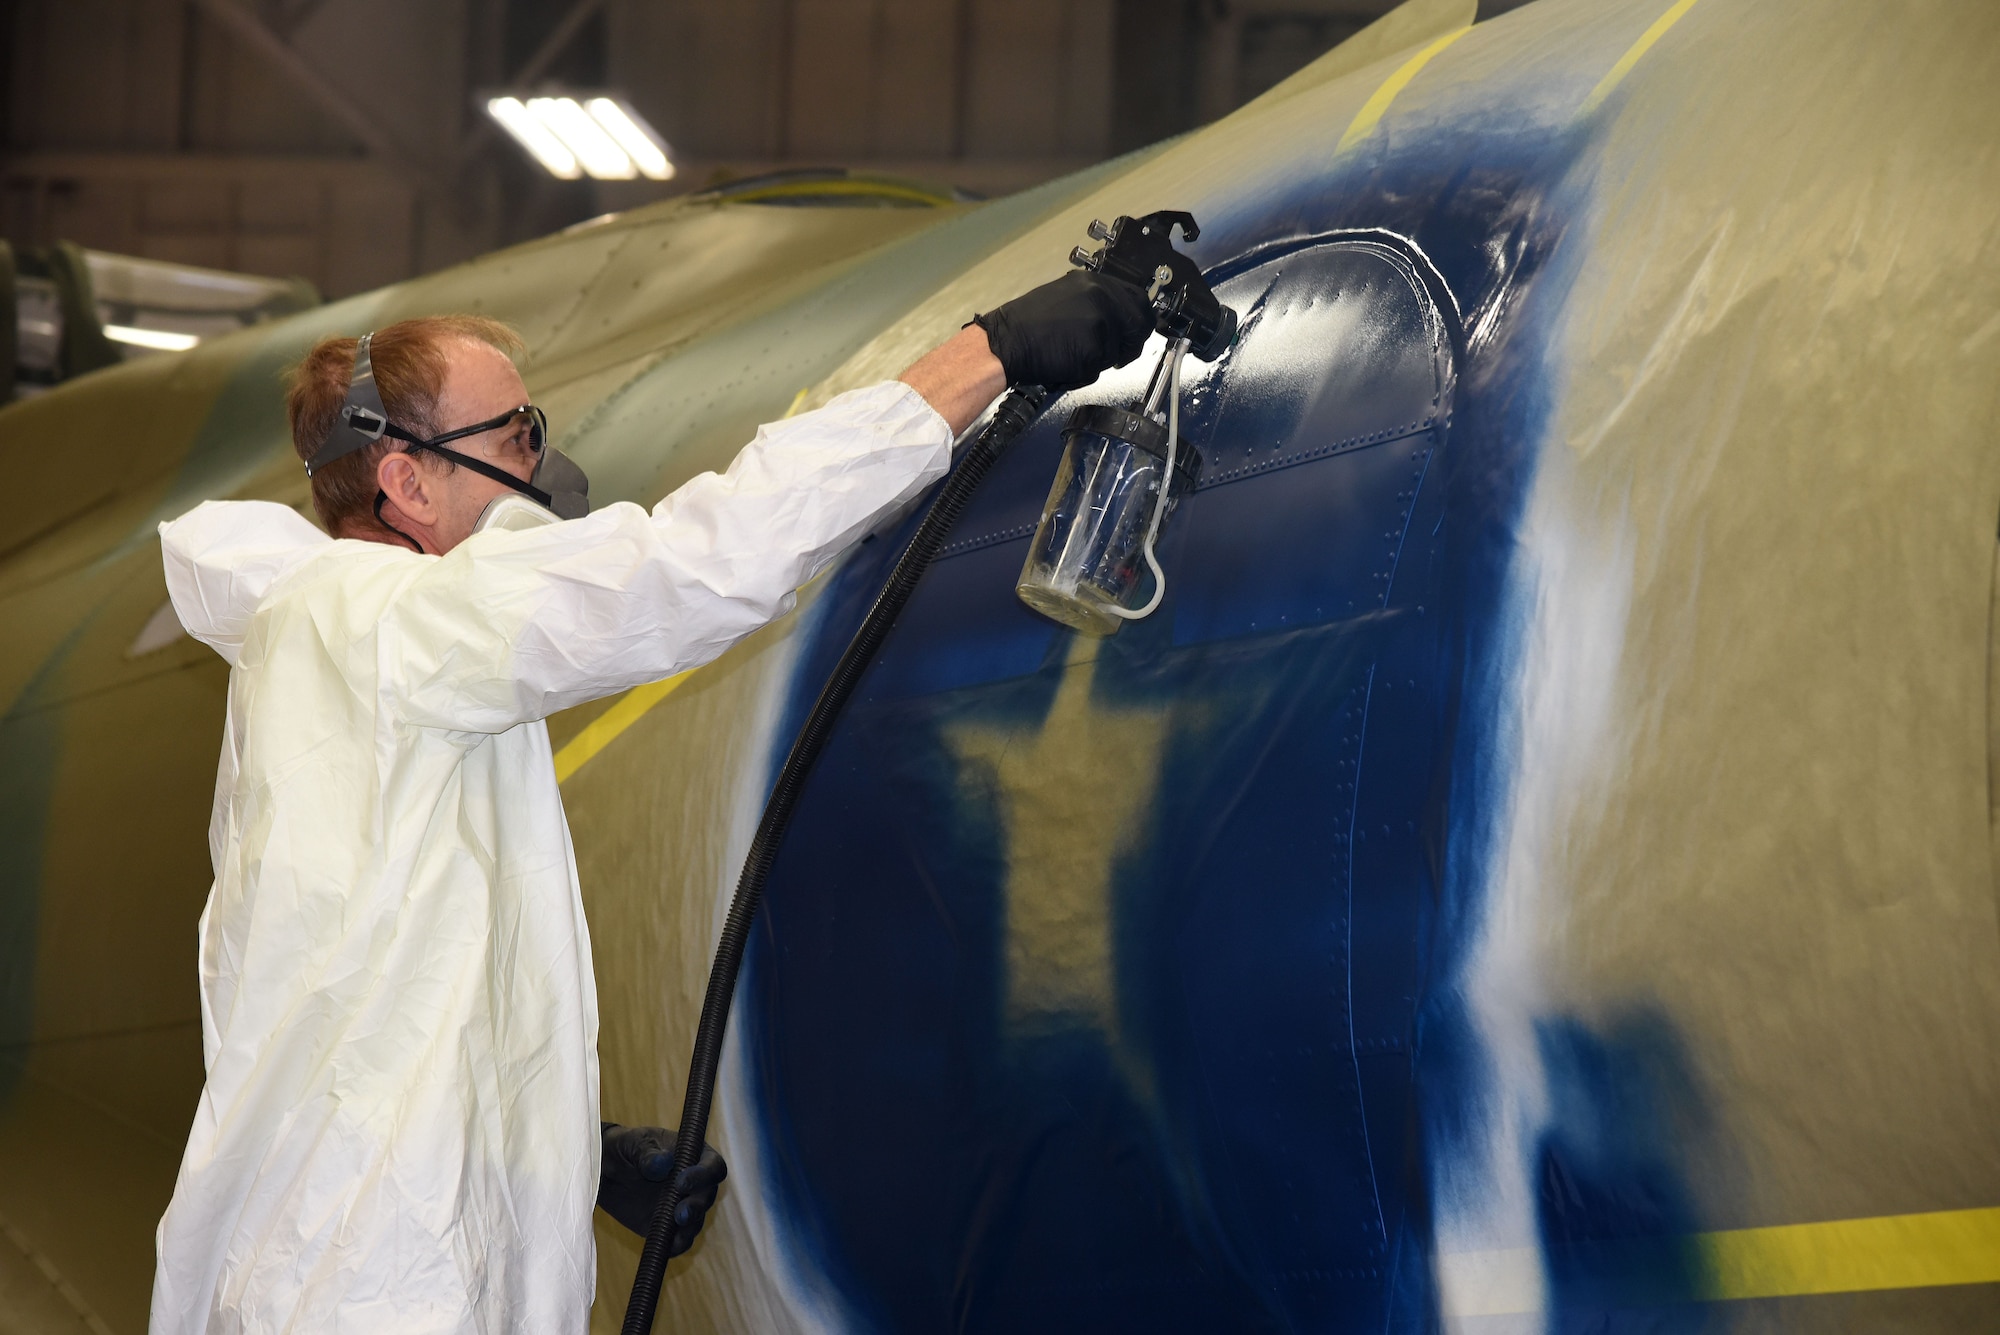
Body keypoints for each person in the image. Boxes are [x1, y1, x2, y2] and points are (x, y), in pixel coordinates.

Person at [149, 271, 1154, 1334]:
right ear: (406, 480)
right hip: (369, 1295)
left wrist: (569, 1155)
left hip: (374, 1270)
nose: (542, 467)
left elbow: (380, 1002)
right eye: (515, 435)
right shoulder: (375, 623)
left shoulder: (371, 651)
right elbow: (694, 567)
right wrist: (981, 356)